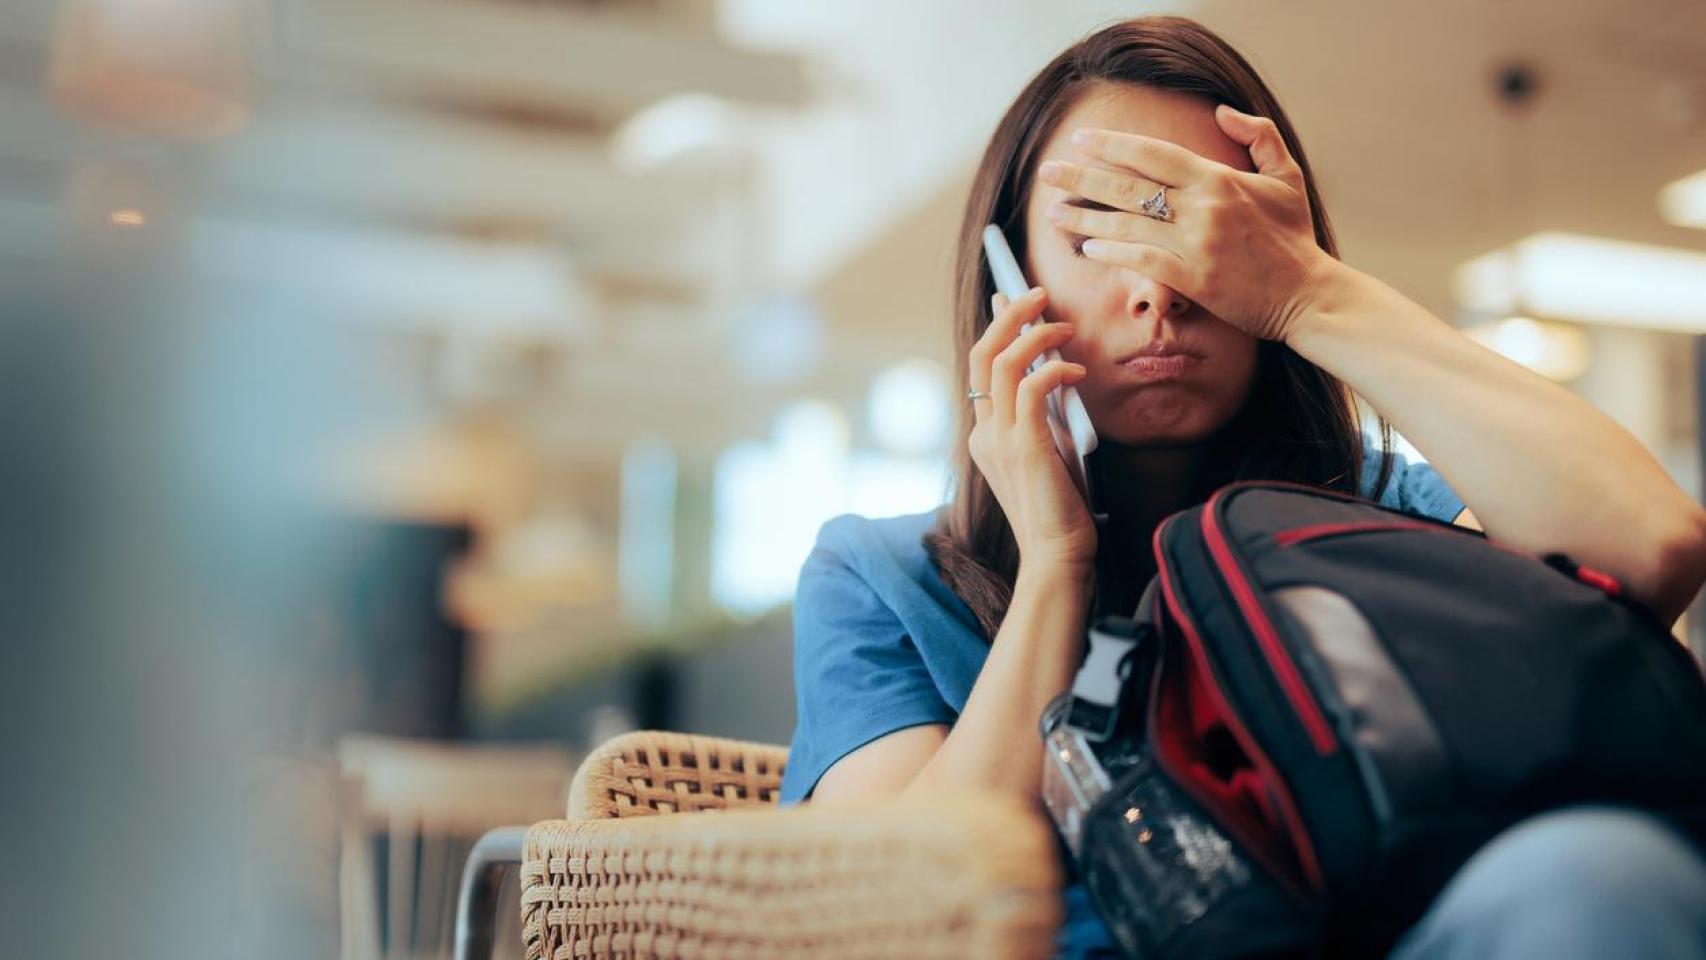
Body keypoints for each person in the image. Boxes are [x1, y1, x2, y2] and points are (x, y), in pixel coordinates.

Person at [778, 15, 1706, 958]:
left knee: (1606, 874)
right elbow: (893, 931)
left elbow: (1650, 548)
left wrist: (1310, 292)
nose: (1163, 290)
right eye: (1098, 235)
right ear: (1010, 283)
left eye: (1207, 231)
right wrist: (1058, 564)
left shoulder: (1384, 521)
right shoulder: (880, 577)